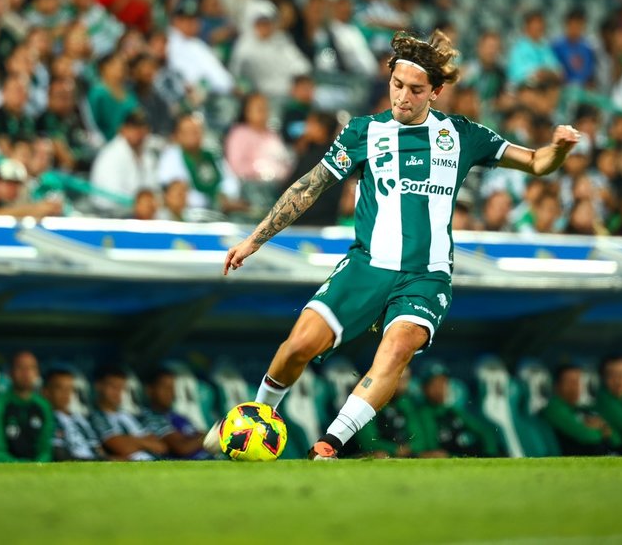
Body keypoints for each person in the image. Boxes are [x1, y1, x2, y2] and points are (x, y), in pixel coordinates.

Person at [220, 30, 581, 459]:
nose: (403, 97)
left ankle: (330, 444)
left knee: (396, 350)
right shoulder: (363, 132)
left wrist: (558, 149)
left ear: (436, 92)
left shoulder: (462, 135)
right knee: (297, 347)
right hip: (367, 266)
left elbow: (537, 162)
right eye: (397, 85)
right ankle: (257, 417)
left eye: (415, 90)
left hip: (426, 276)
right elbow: (309, 187)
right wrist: (254, 239)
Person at [411, 363, 500, 458]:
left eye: (443, 383)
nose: (439, 388)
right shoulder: (418, 413)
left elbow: (485, 433)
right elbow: (430, 449)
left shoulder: (453, 411)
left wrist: (489, 455)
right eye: (434, 384)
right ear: (423, 388)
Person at [0, 351, 52, 463]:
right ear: (10, 372)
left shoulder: (43, 406)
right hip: (6, 470)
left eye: (31, 368)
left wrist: (38, 465)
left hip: (38, 469)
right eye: (20, 367)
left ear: (37, 373)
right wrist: (22, 467)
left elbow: (46, 448)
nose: (26, 373)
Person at [88, 365, 166, 461]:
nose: (118, 393)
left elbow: (160, 447)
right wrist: (142, 442)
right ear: (98, 386)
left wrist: (128, 440)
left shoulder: (128, 416)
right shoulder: (96, 417)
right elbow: (122, 448)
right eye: (113, 387)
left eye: (121, 388)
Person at [89, 109, 159, 215]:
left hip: (138, 213)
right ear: (123, 129)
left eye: (143, 130)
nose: (140, 135)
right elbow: (110, 198)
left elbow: (153, 189)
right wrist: (138, 204)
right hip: (109, 214)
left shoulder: (147, 156)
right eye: (135, 129)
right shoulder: (111, 155)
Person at [349, 366, 428, 458]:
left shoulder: (408, 403)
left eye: (406, 379)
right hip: (369, 454)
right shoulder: (368, 402)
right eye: (399, 378)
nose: (402, 384)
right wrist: (394, 450)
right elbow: (367, 441)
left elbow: (419, 438)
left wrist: (408, 448)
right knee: (379, 455)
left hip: (403, 453)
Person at [543, 365, 617, 456]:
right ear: (556, 386)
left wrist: (601, 426)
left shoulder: (577, 408)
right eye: (570, 382)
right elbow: (588, 436)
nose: (576, 386)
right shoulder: (553, 409)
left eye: (578, 381)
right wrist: (601, 429)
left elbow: (615, 438)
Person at [139, 367, 208, 460]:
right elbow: (183, 448)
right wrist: (209, 437)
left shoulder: (178, 416)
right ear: (149, 390)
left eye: (172, 388)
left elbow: (198, 435)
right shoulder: (151, 418)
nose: (171, 393)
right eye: (165, 388)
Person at [42, 368, 104, 462]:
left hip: (93, 463)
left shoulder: (80, 419)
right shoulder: (47, 418)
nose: (65, 393)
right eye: (60, 388)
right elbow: (59, 455)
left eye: (69, 389)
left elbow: (97, 448)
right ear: (46, 391)